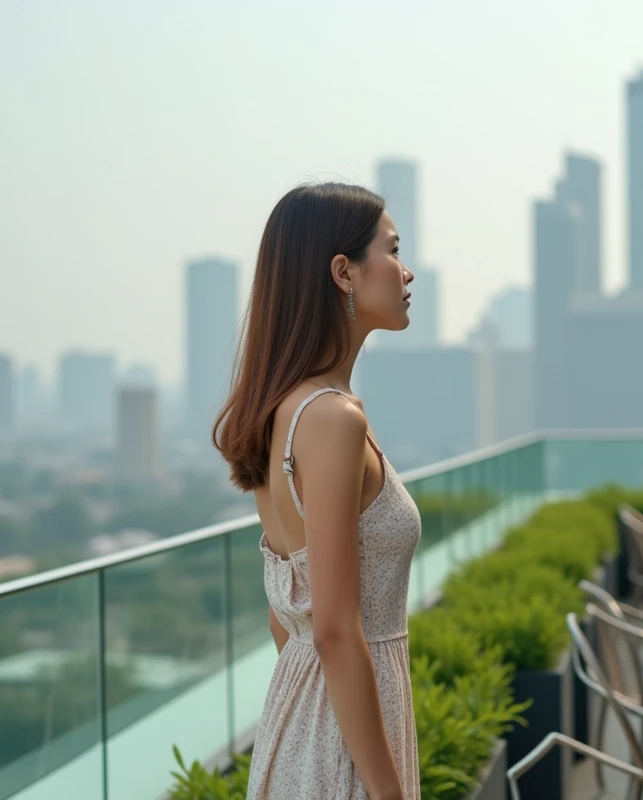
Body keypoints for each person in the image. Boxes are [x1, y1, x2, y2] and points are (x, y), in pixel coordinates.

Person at [213, 182, 421, 800]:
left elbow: (289, 620)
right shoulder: (332, 419)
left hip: (306, 717)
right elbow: (332, 628)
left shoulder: (284, 412)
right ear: (344, 272)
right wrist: (389, 793)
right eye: (392, 250)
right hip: (342, 740)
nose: (407, 270)